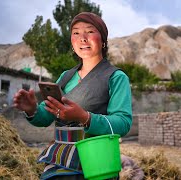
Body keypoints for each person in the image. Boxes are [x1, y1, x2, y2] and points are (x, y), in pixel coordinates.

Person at [13, 12, 132, 180]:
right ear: (72, 42)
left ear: (103, 40)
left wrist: (84, 117)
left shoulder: (116, 77)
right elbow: (45, 117)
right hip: (62, 161)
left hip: (97, 162)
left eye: (90, 31)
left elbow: (123, 123)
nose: (82, 38)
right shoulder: (66, 77)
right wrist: (32, 110)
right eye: (76, 33)